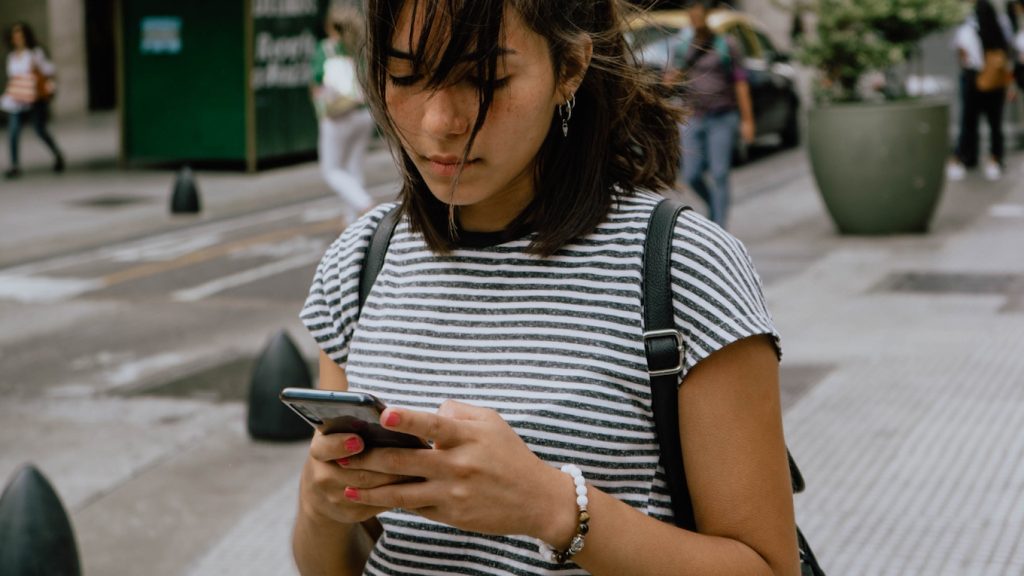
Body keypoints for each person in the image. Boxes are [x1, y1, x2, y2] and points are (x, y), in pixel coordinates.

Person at [295, 1, 799, 575]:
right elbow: (330, 564)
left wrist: (552, 507)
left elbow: (766, 566)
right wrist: (320, 505)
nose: (440, 121)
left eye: (486, 78)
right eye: (406, 76)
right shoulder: (360, 261)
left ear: (571, 68)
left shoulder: (683, 266)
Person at [662, 0, 755, 229]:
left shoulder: (726, 44)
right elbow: (672, 80)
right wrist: (670, 80)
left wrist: (747, 120)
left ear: (706, 16)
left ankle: (720, 226)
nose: (695, 19)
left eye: (699, 15)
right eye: (691, 15)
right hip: (693, 116)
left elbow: (740, 83)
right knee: (691, 174)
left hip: (723, 116)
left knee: (720, 173)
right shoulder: (683, 46)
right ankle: (714, 207)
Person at [311, 4, 376, 223]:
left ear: (331, 25)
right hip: (364, 114)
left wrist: (321, 108)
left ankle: (364, 204)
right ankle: (353, 223)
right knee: (354, 168)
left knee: (331, 170)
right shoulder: (361, 49)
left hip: (337, 117)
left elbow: (317, 79)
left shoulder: (326, 48)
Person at [947, 0, 1012, 182]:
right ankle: (995, 158)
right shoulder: (1000, 23)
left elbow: (962, 51)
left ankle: (968, 157)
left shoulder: (968, 25)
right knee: (994, 121)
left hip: (973, 76)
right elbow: (1008, 46)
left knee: (969, 120)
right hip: (994, 76)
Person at [2, 21, 64, 179]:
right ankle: (15, 165)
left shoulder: (35, 53)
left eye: (20, 36)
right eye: (15, 36)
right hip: (17, 99)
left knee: (40, 130)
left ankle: (57, 155)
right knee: (13, 131)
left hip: (34, 98)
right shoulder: (11, 57)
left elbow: (49, 70)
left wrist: (36, 69)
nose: (17, 39)